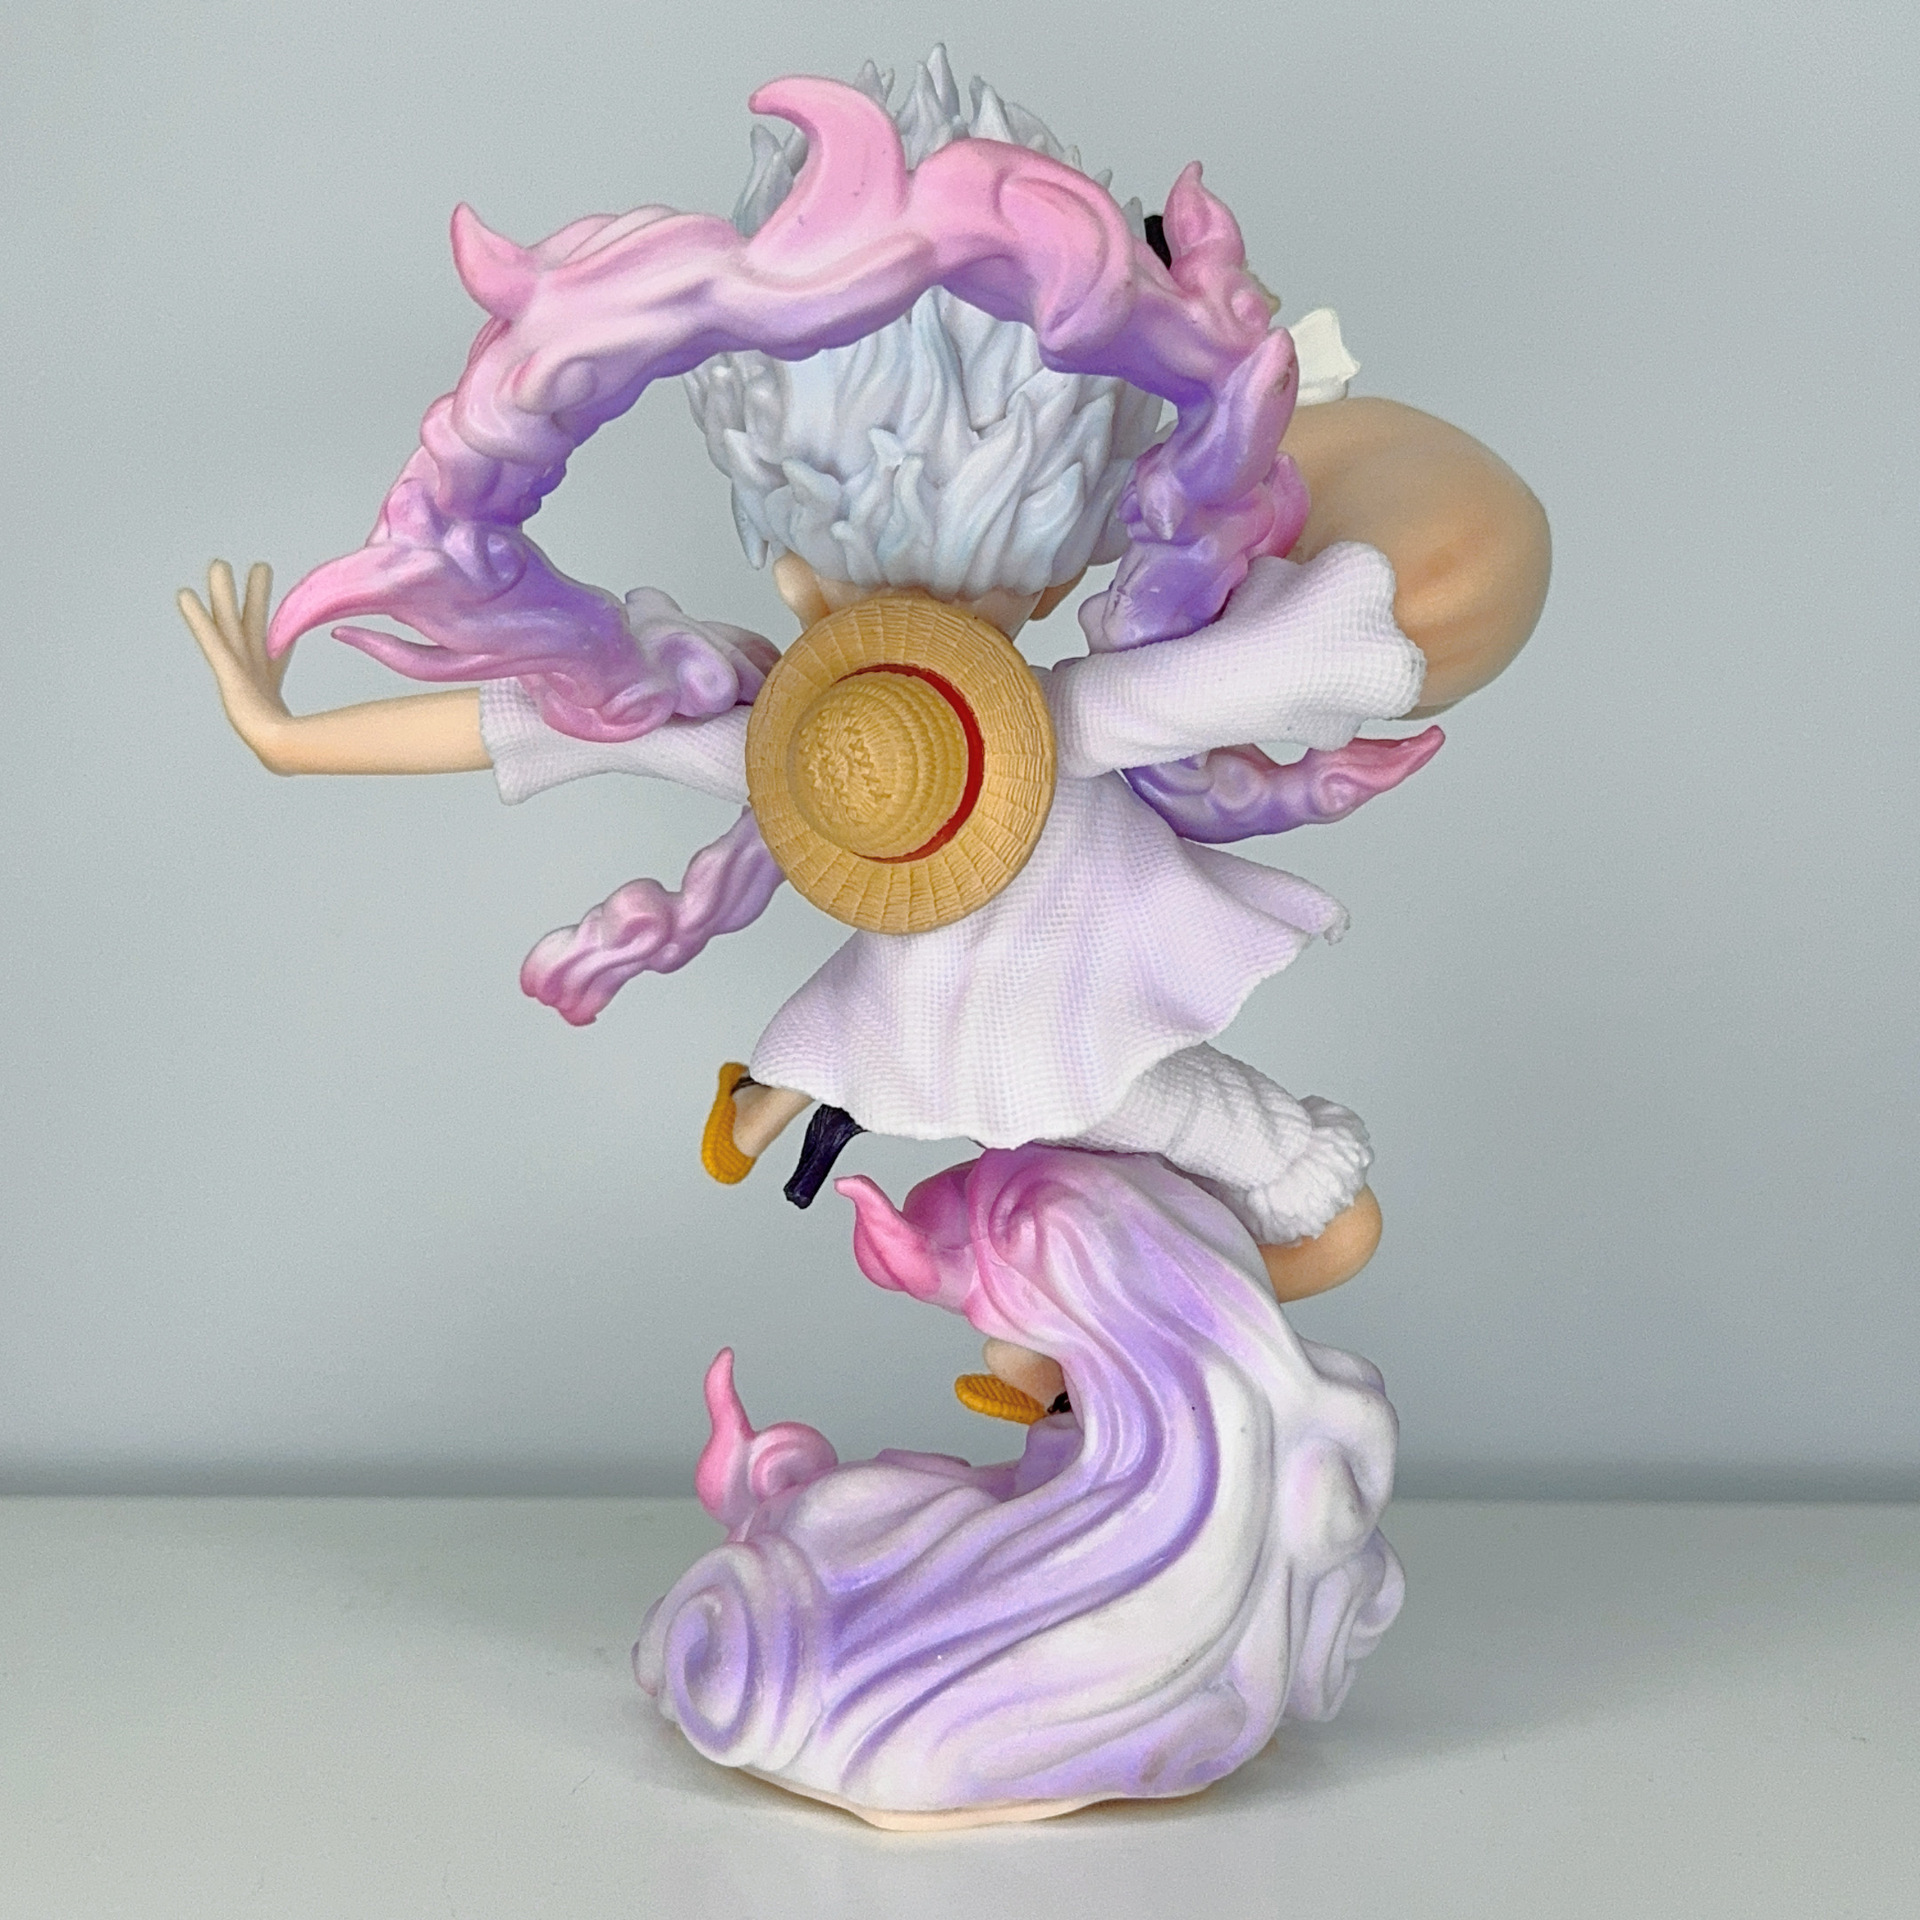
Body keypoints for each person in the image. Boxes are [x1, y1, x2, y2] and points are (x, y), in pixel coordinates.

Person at [179, 54, 1547, 1404]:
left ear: (791, 578)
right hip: (1073, 1038)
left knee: (1134, 1160)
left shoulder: (795, 745)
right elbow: (1375, 621)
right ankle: (999, 1287)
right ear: (1060, 569)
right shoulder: (1069, 715)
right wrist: (1264, 442)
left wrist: (289, 736)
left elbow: (554, 720)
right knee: (1315, 1216)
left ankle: (883, 1189)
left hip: (969, 1031)